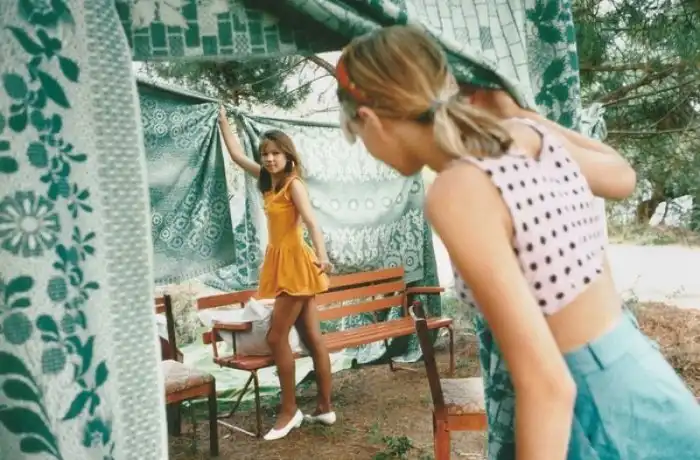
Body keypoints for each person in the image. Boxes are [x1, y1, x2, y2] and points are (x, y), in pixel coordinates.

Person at [334, 25, 700, 459]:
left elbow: (549, 384)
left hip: (592, 415)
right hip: (644, 380)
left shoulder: (457, 190)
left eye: (355, 136)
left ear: (369, 119)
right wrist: (525, 115)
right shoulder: (523, 136)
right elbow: (622, 177)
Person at [218, 107, 335, 441]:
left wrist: (323, 257)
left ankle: (289, 411)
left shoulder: (293, 185)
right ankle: (324, 408)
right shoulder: (268, 180)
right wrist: (223, 121)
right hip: (283, 261)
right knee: (312, 338)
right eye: (265, 154)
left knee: (275, 337)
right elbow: (237, 156)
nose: (269, 159)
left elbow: (311, 221)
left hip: (296, 264)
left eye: (275, 154)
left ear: (288, 156)